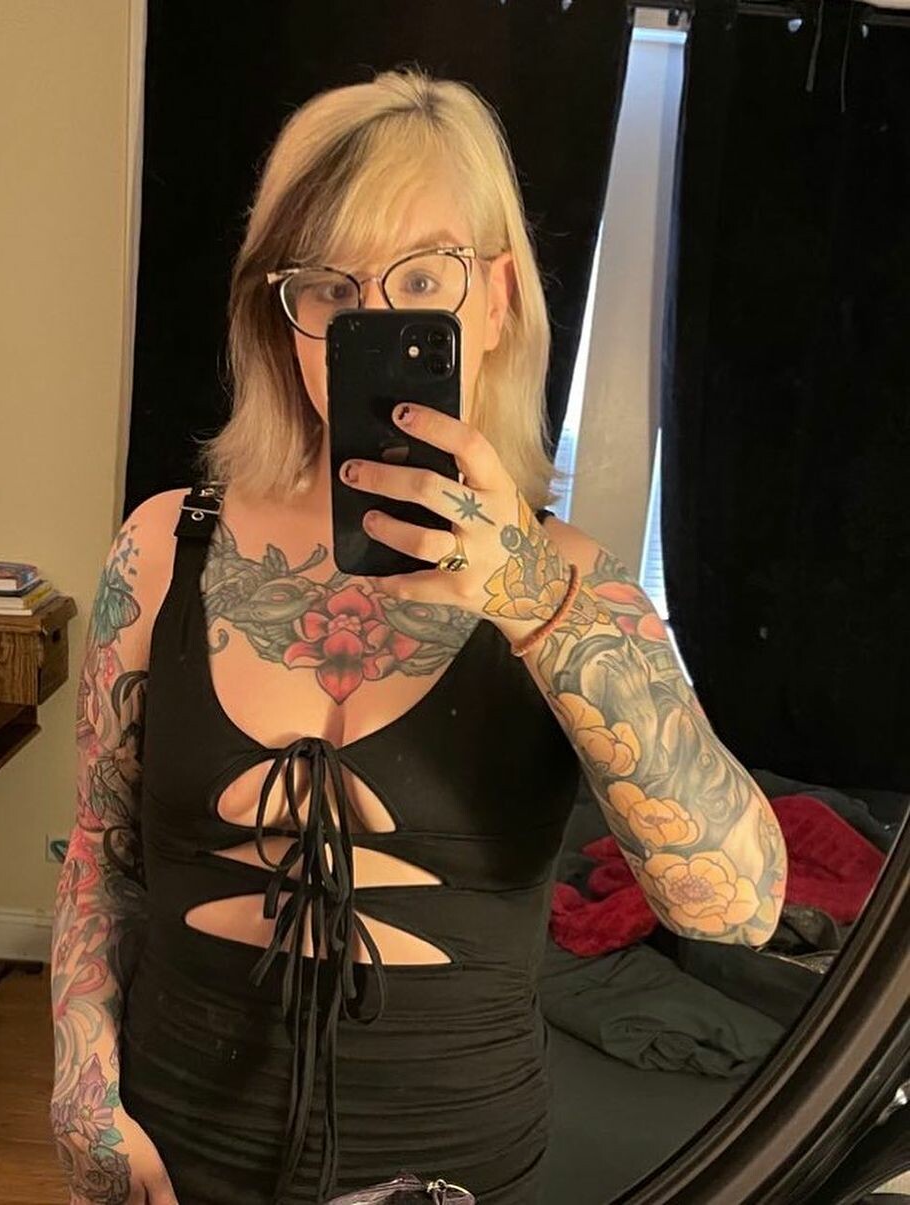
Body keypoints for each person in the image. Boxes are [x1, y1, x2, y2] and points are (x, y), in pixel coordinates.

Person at [49, 67, 786, 1205]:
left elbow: (734, 904)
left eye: (423, 278)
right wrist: (82, 1087)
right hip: (171, 1151)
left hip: (458, 1168)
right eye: (327, 287)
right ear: (282, 314)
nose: (370, 322)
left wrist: (536, 604)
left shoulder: (578, 583)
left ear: (496, 299)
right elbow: (101, 853)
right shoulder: (161, 548)